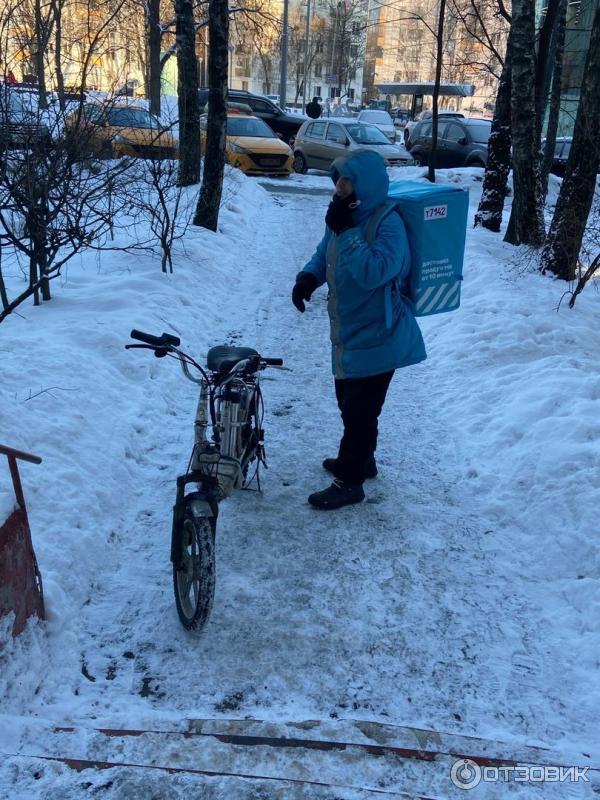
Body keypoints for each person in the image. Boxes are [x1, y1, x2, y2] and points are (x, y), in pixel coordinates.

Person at [292, 150, 426, 510]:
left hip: (382, 333)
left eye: (347, 180)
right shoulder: (344, 216)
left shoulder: (387, 223)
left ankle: (350, 482)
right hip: (351, 331)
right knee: (349, 404)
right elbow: (325, 252)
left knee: (360, 411)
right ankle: (362, 460)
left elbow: (375, 272)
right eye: (337, 179)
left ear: (364, 183)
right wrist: (308, 276)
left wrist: (348, 232)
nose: (339, 187)